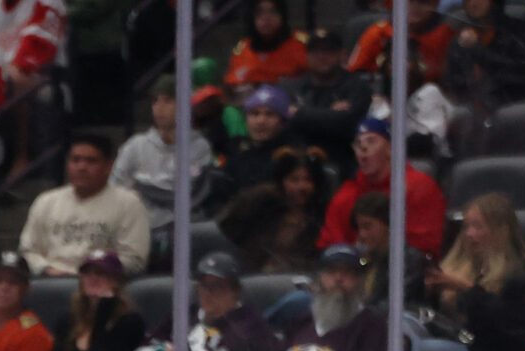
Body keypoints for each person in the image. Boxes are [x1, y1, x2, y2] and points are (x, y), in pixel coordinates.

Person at [427, 192, 525, 351]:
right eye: (467, 226)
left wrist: (465, 288)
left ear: (501, 231)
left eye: (478, 227)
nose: (469, 234)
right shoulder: (466, 267)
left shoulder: (520, 272)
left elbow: (507, 321)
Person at [131, 252, 283, 351]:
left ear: (235, 291)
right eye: (204, 286)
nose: (208, 293)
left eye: (217, 287)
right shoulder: (186, 314)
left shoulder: (249, 327)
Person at [18, 134, 151, 278]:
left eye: (91, 161)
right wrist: (46, 269)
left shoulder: (128, 203)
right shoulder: (46, 201)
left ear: (108, 166)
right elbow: (28, 250)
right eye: (75, 160)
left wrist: (95, 273)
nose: (82, 167)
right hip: (50, 280)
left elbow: (134, 259)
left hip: (103, 283)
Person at [319, 117, 445, 260]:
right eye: (358, 143)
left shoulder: (419, 187)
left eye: (371, 141)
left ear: (390, 148)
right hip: (354, 275)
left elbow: (425, 247)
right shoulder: (346, 195)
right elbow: (330, 247)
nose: (363, 148)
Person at [46, 250, 144, 351]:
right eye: (87, 273)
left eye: (100, 273)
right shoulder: (68, 321)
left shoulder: (129, 322)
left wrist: (104, 308)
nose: (93, 279)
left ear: (116, 281)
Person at [112, 79, 212, 230]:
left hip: (183, 231)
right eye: (155, 101)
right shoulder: (136, 145)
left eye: (167, 100)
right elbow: (114, 189)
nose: (159, 108)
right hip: (138, 230)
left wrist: (141, 186)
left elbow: (190, 196)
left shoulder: (199, 147)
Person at [218, 144, 328, 275]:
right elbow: (228, 228)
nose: (301, 187)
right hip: (251, 276)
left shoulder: (323, 217)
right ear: (281, 181)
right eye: (294, 180)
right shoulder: (260, 203)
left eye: (308, 180)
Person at [287, 27, 375, 159]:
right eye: (315, 51)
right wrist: (332, 114)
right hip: (302, 159)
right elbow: (288, 125)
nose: (322, 56)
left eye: (329, 51)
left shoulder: (357, 87)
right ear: (307, 55)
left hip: (345, 159)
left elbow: (347, 124)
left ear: (342, 54)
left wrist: (301, 113)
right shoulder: (294, 87)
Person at [225, 0, 306, 88]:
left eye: (273, 11)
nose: (266, 17)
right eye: (259, 12)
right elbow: (233, 84)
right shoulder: (243, 48)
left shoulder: (299, 45)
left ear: (282, 16)